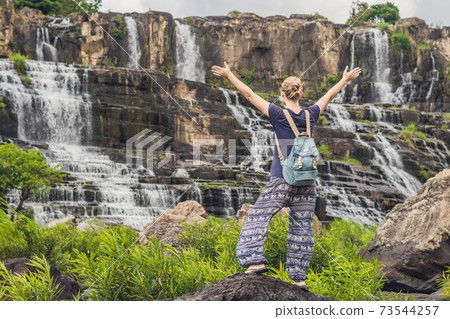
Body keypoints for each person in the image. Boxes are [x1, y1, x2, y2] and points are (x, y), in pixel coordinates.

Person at [211, 62, 361, 289]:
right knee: (301, 229)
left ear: (283, 94)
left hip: (281, 179)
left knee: (258, 217)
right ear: (301, 93)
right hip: (307, 183)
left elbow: (249, 94)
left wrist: (229, 74)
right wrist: (344, 79)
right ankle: (299, 279)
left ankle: (253, 262)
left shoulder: (278, 114)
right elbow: (329, 96)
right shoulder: (311, 115)